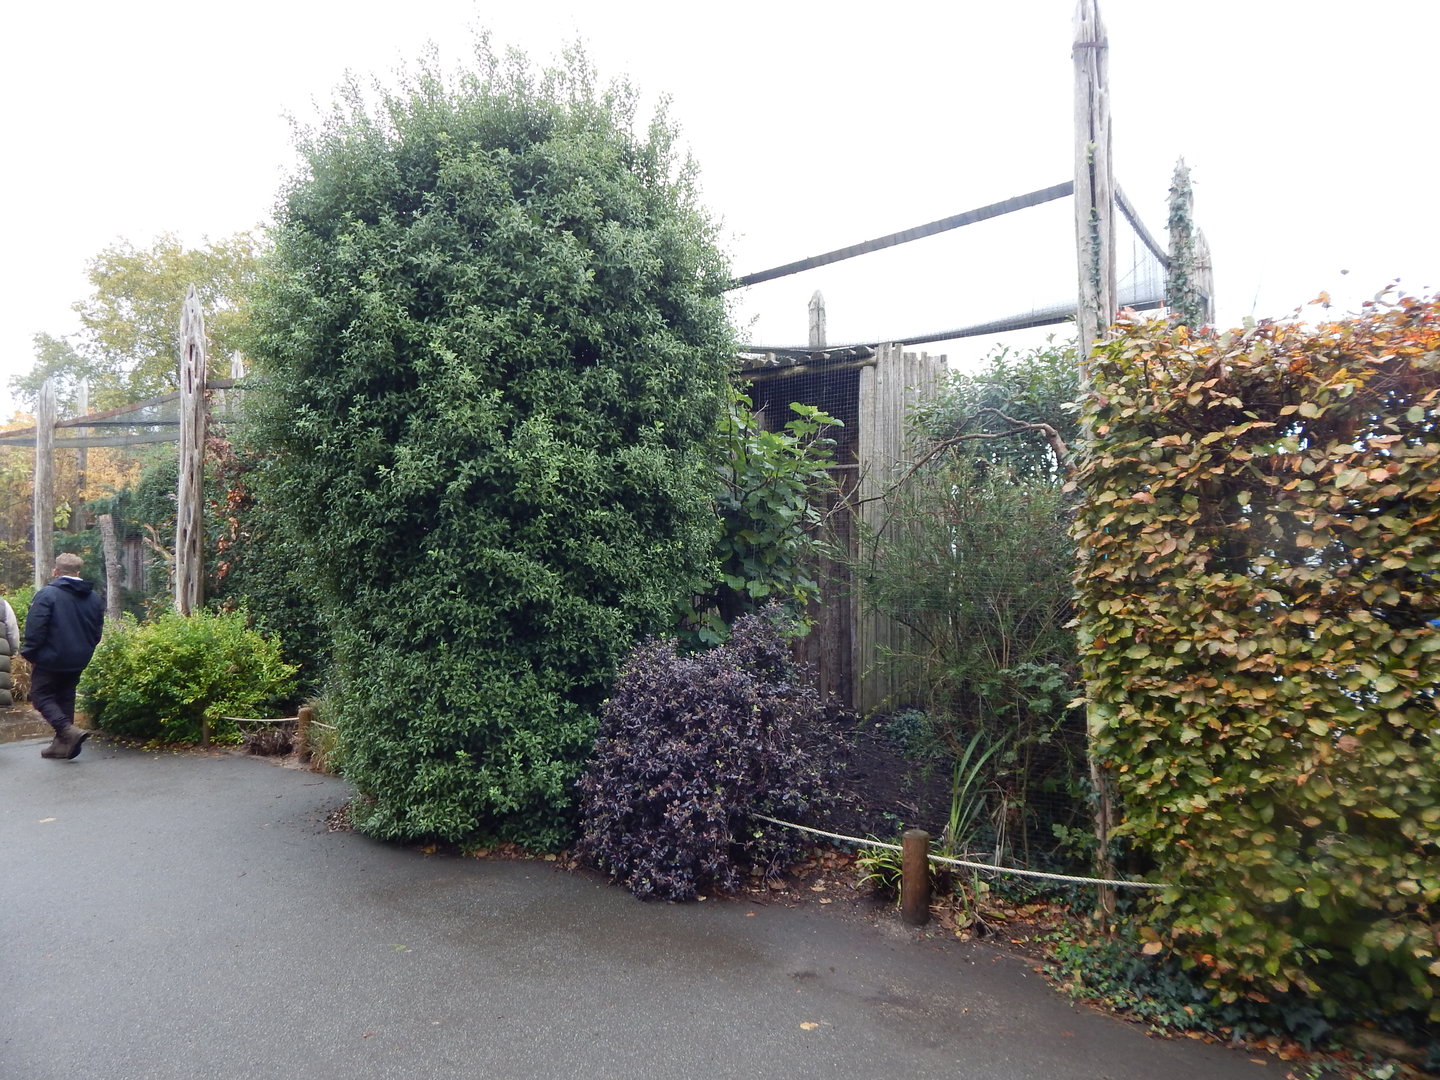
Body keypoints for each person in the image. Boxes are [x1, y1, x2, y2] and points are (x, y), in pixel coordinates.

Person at [23, 553, 105, 760]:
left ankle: (68, 732)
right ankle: (63, 746)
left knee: (41, 696)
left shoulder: (47, 595)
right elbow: (97, 631)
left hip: (51, 658)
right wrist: (85, 650)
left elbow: (35, 629)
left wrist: (30, 653)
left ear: (56, 572)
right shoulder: (93, 598)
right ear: (78, 573)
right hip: (78, 658)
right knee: (65, 697)